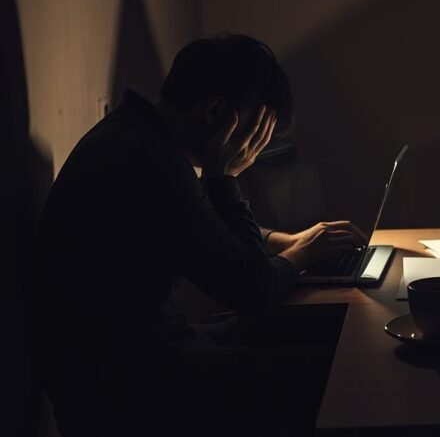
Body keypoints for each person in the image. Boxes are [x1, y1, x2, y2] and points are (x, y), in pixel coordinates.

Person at [32, 34, 363, 436]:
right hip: (126, 385)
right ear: (217, 111)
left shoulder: (135, 135)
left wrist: (285, 242)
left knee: (322, 330)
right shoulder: (152, 162)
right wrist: (226, 177)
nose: (255, 149)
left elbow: (194, 223)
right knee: (334, 374)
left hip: (138, 354)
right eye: (256, 132)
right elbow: (252, 290)